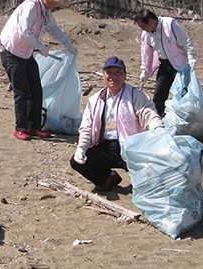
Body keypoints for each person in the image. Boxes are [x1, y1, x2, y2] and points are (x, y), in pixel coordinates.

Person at [0, 0, 79, 140]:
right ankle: (20, 127)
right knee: (22, 92)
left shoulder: (46, 12)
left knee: (36, 89)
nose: (56, 5)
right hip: (12, 52)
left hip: (26, 53)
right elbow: (24, 33)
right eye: (55, 2)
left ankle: (33, 126)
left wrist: (69, 45)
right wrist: (41, 47)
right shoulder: (31, 7)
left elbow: (54, 30)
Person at [70, 56, 164, 192]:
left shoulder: (135, 96)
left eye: (118, 73)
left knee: (150, 183)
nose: (113, 77)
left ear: (125, 75)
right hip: (106, 147)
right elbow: (87, 128)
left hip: (131, 148)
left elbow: (148, 114)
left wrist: (158, 129)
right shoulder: (94, 100)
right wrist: (81, 148)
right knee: (77, 162)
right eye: (110, 73)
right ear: (104, 75)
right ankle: (108, 178)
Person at [134, 9, 197, 118]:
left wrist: (191, 57)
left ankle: (184, 120)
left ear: (151, 20)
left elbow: (186, 41)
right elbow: (146, 52)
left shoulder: (170, 24)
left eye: (144, 26)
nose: (143, 29)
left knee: (182, 93)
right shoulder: (146, 34)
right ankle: (157, 119)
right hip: (165, 64)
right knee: (159, 93)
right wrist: (145, 69)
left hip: (180, 65)